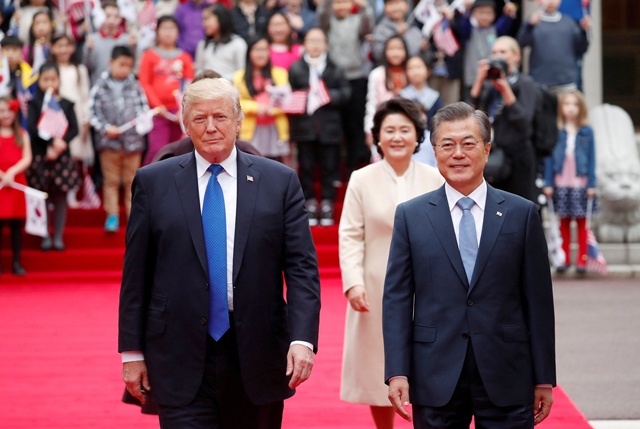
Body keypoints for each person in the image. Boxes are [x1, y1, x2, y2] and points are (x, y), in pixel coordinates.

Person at [118, 77, 321, 428]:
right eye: (200, 118)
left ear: (239, 120)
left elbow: (302, 271)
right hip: (178, 354)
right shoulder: (154, 182)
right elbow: (137, 274)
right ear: (185, 124)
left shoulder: (280, 182)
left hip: (258, 353)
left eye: (221, 117)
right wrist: (132, 352)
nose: (211, 127)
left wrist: (303, 340)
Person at [382, 101, 556, 428]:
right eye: (447, 144)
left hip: (507, 371)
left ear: (487, 150)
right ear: (434, 151)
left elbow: (539, 302)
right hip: (435, 373)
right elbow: (397, 299)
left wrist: (544, 377)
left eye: (468, 143)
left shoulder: (522, 214)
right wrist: (397, 371)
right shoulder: (412, 216)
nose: (457, 153)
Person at [339, 97, 443, 429]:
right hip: (375, 288)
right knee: (377, 366)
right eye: (389, 130)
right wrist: (353, 281)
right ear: (378, 137)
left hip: (430, 287)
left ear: (417, 136)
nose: (397, 137)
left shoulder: (435, 178)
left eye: (404, 130)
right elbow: (351, 236)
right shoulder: (362, 179)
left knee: (430, 361)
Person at [288, 27, 351, 226]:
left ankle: (326, 203)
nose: (315, 45)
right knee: (305, 166)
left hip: (329, 127)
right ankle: (309, 202)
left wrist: (328, 96)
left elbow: (346, 93)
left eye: (319, 41)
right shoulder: (296, 68)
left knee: (329, 166)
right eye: (311, 40)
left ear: (326, 44)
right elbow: (289, 94)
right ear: (304, 44)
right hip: (304, 127)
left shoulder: (335, 67)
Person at [470, 36, 539, 204]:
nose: (497, 56)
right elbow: (470, 113)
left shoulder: (526, 83)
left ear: (516, 56)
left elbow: (524, 121)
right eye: (494, 52)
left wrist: (505, 88)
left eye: (503, 52)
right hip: (493, 156)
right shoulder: (489, 85)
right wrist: (479, 81)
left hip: (518, 158)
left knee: (518, 209)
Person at [89, 45, 149, 233]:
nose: (125, 69)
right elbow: (92, 112)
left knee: (133, 181)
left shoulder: (135, 85)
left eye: (128, 66)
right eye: (121, 65)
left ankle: (134, 218)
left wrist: (138, 122)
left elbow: (143, 109)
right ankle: (112, 215)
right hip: (109, 143)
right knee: (111, 181)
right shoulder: (100, 85)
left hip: (133, 143)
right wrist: (106, 128)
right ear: (111, 63)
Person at [26, 62, 80, 251]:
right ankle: (44, 236)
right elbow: (32, 128)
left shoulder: (66, 103)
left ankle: (58, 236)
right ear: (39, 81)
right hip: (41, 155)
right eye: (45, 79)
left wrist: (61, 143)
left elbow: (74, 128)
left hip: (62, 157)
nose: (50, 83)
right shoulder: (34, 103)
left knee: (60, 197)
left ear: (59, 80)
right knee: (42, 197)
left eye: (53, 79)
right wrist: (49, 144)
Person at [318, 0, 374, 176]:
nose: (342, 6)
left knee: (354, 124)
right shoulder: (329, 22)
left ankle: (353, 166)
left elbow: (368, 24)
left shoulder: (358, 20)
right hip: (333, 78)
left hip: (356, 77)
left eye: (345, 2)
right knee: (334, 125)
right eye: (338, 3)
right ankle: (333, 169)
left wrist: (364, 6)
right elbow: (322, 14)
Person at [543, 90, 596, 274]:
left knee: (582, 222)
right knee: (563, 221)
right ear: (561, 108)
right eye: (567, 104)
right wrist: (548, 183)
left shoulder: (587, 132)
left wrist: (592, 184)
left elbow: (591, 159)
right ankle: (563, 258)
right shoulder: (557, 131)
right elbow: (549, 159)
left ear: (580, 108)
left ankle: (582, 260)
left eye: (575, 104)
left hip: (580, 182)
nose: (571, 108)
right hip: (561, 182)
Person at [138, 15, 195, 166]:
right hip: (158, 113)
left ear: (178, 32)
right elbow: (145, 83)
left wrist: (183, 110)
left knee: (180, 151)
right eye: (165, 28)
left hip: (180, 114)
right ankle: (149, 185)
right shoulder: (149, 56)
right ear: (157, 31)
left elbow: (189, 85)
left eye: (172, 28)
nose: (168, 32)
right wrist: (157, 106)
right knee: (158, 150)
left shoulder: (185, 58)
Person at [49, 33, 93, 207]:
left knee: (73, 157)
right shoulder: (49, 68)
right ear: (52, 47)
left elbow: (85, 96)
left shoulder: (79, 69)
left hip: (75, 118)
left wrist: (85, 119)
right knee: (55, 156)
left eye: (67, 45)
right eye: (59, 45)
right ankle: (54, 194)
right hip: (54, 118)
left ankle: (71, 194)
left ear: (73, 48)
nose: (63, 49)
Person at [233, 36, 290, 161]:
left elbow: (287, 100)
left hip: (275, 128)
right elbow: (236, 103)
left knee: (276, 165)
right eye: (257, 50)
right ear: (249, 53)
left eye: (264, 50)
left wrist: (272, 109)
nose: (261, 54)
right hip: (251, 128)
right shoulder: (239, 76)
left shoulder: (280, 74)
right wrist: (257, 108)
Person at [517, 0, 590, 92]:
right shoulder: (533, 22)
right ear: (537, 1)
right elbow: (521, 43)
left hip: (566, 83)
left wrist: (584, 32)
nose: (550, 1)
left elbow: (582, 48)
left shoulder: (569, 22)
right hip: (539, 83)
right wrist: (529, 26)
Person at [458, 0, 516, 102]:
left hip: (492, 79)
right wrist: (467, 10)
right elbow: (463, 25)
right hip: (473, 78)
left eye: (488, 13)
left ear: (494, 15)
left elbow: (505, 23)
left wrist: (508, 14)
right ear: (473, 14)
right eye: (480, 12)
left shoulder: (496, 30)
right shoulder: (469, 31)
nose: (484, 16)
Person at [0, 97, 32, 276]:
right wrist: (2, 175)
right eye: (2, 111)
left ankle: (16, 262)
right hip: (1, 183)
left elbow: (27, 158)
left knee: (16, 226)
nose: (6, 115)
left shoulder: (22, 134)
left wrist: (12, 172)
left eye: (9, 111)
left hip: (16, 184)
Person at [365, 34, 408, 150]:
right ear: (385, 51)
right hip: (383, 126)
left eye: (399, 48)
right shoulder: (377, 74)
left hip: (408, 127)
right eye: (391, 49)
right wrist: (369, 130)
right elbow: (372, 104)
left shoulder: (410, 71)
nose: (395, 53)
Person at [195, 4, 247, 80]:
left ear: (221, 18)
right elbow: (199, 70)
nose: (204, 24)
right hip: (206, 88)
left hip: (229, 89)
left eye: (207, 19)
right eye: (203, 20)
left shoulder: (238, 43)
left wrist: (219, 81)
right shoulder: (202, 44)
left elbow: (241, 72)